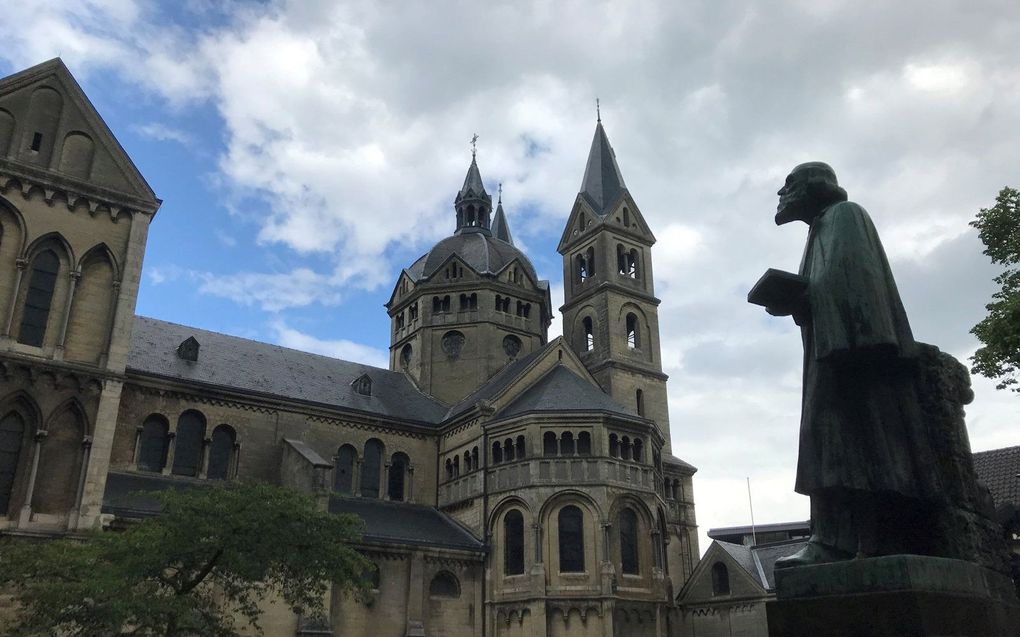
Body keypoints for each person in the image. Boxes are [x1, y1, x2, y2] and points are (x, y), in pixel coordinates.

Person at [758, 162, 941, 568]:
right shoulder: (819, 230)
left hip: (853, 355)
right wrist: (797, 302)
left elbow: (856, 283)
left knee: (849, 444)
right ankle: (833, 539)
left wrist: (807, 300)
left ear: (815, 187)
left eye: (789, 185)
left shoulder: (846, 216)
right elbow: (830, 289)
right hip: (832, 350)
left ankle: (866, 539)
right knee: (828, 446)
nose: (780, 194)